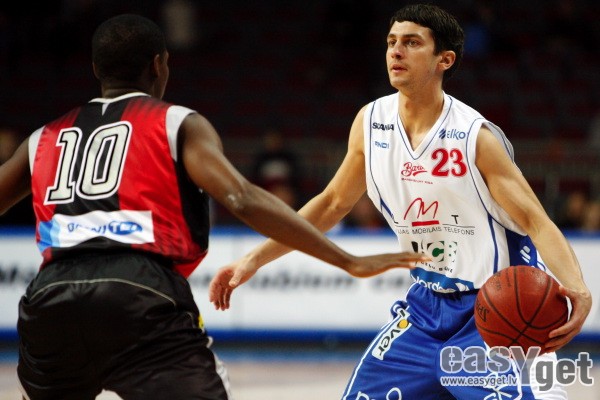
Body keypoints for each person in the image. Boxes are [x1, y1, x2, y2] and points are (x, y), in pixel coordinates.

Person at [0, 14, 427, 400]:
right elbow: (241, 197)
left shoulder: (43, 137)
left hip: (48, 296)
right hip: (139, 289)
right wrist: (346, 259)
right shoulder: (175, 121)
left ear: (95, 69)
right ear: (159, 65)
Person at [209, 4, 592, 399]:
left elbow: (536, 221)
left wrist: (578, 288)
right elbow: (332, 203)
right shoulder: (371, 122)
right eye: (391, 42)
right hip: (425, 308)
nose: (396, 51)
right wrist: (253, 259)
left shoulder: (475, 138)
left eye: (411, 43)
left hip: (497, 309)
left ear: (444, 60)